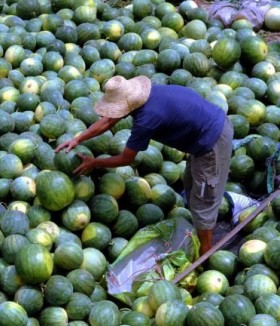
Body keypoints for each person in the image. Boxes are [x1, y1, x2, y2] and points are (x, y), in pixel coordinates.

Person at [55, 75, 233, 256]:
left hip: (213, 141)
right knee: (191, 184)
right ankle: (198, 230)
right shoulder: (148, 95)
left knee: (203, 199)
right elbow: (108, 121)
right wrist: (77, 139)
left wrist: (94, 163)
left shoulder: (147, 119)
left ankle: (206, 254)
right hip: (202, 137)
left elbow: (126, 159)